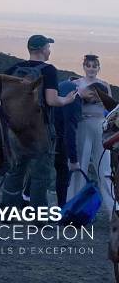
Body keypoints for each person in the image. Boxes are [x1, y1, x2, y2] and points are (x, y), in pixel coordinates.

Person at [0, 35, 78, 209]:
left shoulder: (14, 68)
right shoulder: (48, 70)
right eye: (48, 47)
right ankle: (39, 217)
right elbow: (51, 101)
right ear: (42, 50)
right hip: (40, 130)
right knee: (40, 175)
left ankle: (7, 212)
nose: (49, 51)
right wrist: (67, 100)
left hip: (16, 130)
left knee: (15, 172)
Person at [68, 54, 114, 217]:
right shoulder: (75, 84)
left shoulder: (105, 85)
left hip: (101, 126)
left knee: (105, 170)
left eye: (95, 66)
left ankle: (113, 212)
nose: (91, 68)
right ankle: (74, 209)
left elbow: (110, 109)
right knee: (80, 167)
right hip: (82, 125)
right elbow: (70, 105)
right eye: (89, 65)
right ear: (84, 67)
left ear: (99, 68)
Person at [53, 77, 83, 206]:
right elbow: (69, 129)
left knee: (38, 172)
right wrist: (74, 159)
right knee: (62, 171)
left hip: (45, 134)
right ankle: (61, 209)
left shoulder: (60, 85)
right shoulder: (74, 95)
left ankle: (25, 199)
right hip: (59, 138)